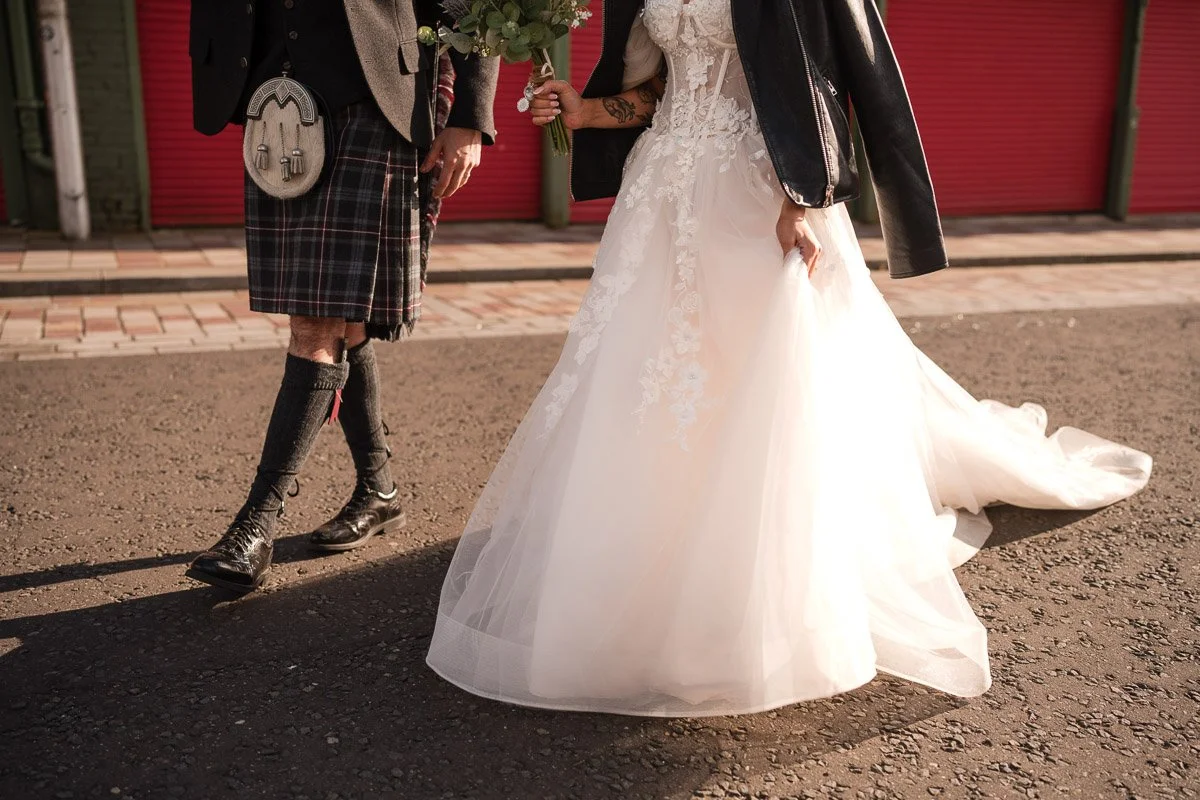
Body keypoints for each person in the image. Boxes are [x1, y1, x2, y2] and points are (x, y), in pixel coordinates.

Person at [426, 0, 1152, 716]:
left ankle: (755, 575)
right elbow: (656, 90)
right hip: (664, 194)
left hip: (758, 189)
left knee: (762, 377)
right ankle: (642, 546)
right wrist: (586, 113)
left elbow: (817, 79)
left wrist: (798, 200)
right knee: (645, 374)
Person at [184, 0, 499, 593]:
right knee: (341, 323)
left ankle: (258, 521)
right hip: (274, 106)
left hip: (375, 98)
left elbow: (471, 3)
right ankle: (379, 490)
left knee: (315, 322)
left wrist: (470, 116)